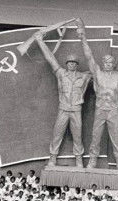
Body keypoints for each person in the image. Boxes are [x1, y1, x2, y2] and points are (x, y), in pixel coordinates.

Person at [76, 18, 118, 171]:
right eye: (106, 62)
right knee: (95, 137)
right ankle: (92, 161)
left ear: (113, 64)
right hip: (100, 109)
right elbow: (88, 56)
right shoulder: (97, 73)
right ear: (103, 63)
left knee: (116, 138)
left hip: (113, 111)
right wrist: (83, 38)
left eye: (110, 62)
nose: (108, 64)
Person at [34, 29, 91, 168]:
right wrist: (40, 41)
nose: (71, 64)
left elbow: (101, 73)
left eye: (74, 63)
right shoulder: (61, 74)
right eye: (69, 63)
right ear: (66, 64)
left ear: (77, 65)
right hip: (63, 109)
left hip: (76, 110)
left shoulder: (84, 76)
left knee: (78, 136)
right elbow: (50, 58)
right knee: (57, 134)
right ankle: (52, 157)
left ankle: (78, 159)